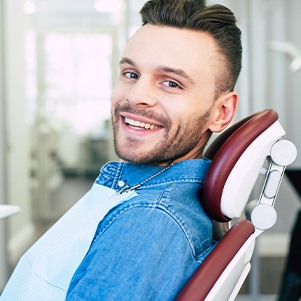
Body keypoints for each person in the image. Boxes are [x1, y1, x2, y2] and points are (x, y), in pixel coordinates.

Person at [0, 0, 242, 300]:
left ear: (220, 112)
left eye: (171, 83)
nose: (136, 96)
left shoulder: (147, 222)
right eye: (131, 74)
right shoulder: (140, 194)